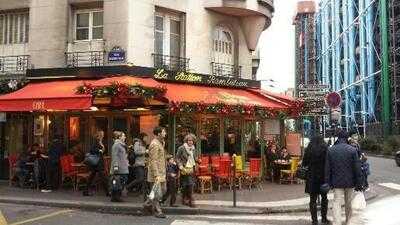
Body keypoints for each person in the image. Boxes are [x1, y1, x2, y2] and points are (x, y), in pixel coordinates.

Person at [325, 130, 363, 225]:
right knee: (349, 203)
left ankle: (337, 222)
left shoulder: (331, 150)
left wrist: (328, 182)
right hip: (350, 181)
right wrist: (359, 183)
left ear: (338, 137)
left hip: (336, 181)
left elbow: (327, 168)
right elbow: (357, 168)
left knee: (336, 202)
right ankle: (348, 221)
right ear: (347, 138)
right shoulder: (352, 150)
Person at [302, 135, 329, 225]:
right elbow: (329, 163)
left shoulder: (309, 149)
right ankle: (324, 218)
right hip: (323, 177)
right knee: (324, 198)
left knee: (312, 199)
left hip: (312, 177)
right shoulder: (325, 149)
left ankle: (314, 221)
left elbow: (304, 163)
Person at [143, 126, 167, 219]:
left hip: (162, 172)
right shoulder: (154, 144)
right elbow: (153, 161)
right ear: (158, 134)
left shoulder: (160, 143)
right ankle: (157, 210)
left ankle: (148, 203)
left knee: (163, 190)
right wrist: (156, 175)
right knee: (157, 193)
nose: (165, 133)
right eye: (164, 132)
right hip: (156, 173)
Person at [83, 130, 109, 197]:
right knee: (103, 177)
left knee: (91, 177)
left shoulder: (100, 142)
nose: (103, 135)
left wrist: (102, 151)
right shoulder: (96, 141)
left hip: (98, 162)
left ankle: (85, 191)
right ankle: (108, 192)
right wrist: (99, 150)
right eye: (102, 134)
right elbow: (92, 150)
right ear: (100, 135)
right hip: (97, 162)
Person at [176, 133, 198, 208]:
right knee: (185, 184)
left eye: (191, 140)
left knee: (190, 184)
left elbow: (194, 158)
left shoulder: (193, 148)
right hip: (184, 168)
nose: (190, 142)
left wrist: (198, 160)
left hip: (191, 168)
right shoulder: (181, 148)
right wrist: (180, 166)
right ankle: (187, 199)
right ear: (186, 141)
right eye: (189, 140)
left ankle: (189, 200)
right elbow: (177, 158)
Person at [110, 131, 129, 202]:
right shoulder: (117, 145)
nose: (125, 137)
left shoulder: (121, 145)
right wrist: (115, 166)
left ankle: (115, 196)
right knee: (118, 181)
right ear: (119, 137)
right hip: (119, 167)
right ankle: (116, 196)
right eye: (123, 136)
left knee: (121, 180)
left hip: (123, 166)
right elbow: (115, 156)